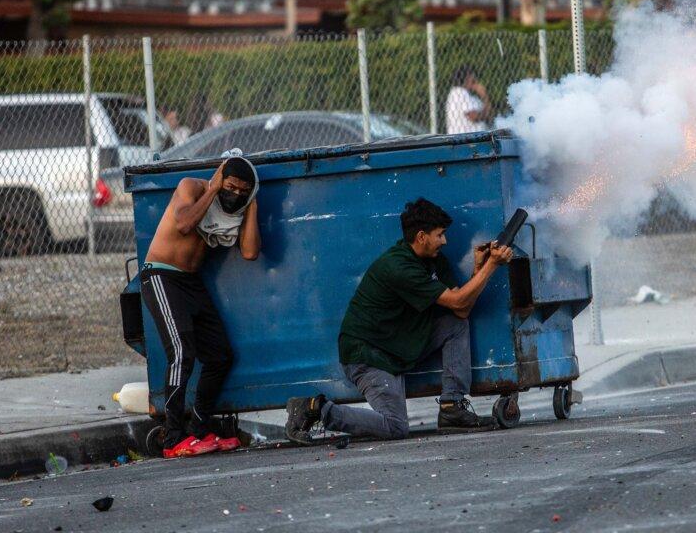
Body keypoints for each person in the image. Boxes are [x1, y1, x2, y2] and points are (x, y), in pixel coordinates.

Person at [284, 198, 513, 443]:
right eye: (440, 235)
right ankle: (315, 409)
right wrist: (491, 266)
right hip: (369, 356)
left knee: (454, 325)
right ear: (422, 236)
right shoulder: (399, 266)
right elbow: (458, 302)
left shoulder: (435, 262)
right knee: (395, 427)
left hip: (400, 344)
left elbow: (461, 311)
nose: (445, 241)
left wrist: (478, 270)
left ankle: (452, 408)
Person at [141, 155, 261, 458]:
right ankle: (172, 437)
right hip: (162, 275)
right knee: (181, 353)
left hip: (191, 282)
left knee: (220, 355)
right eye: (230, 187)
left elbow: (249, 252)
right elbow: (183, 224)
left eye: (242, 191)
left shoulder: (237, 207)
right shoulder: (192, 188)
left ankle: (198, 428)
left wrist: (252, 204)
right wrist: (214, 189)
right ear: (219, 179)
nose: (234, 195)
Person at [445, 65, 492, 134]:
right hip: (465, 140)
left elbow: (489, 115)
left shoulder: (469, 95)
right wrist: (484, 96)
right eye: (472, 77)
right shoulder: (459, 92)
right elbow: (474, 116)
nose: (475, 79)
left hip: (472, 139)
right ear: (467, 78)